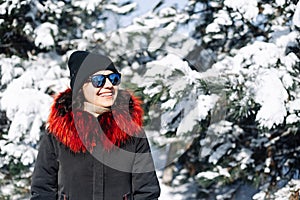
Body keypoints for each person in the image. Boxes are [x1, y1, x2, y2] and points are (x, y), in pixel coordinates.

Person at [30, 50, 161, 200]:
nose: (108, 85)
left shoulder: (132, 133)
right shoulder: (58, 134)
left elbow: (147, 192)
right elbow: (42, 190)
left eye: (113, 78)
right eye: (98, 80)